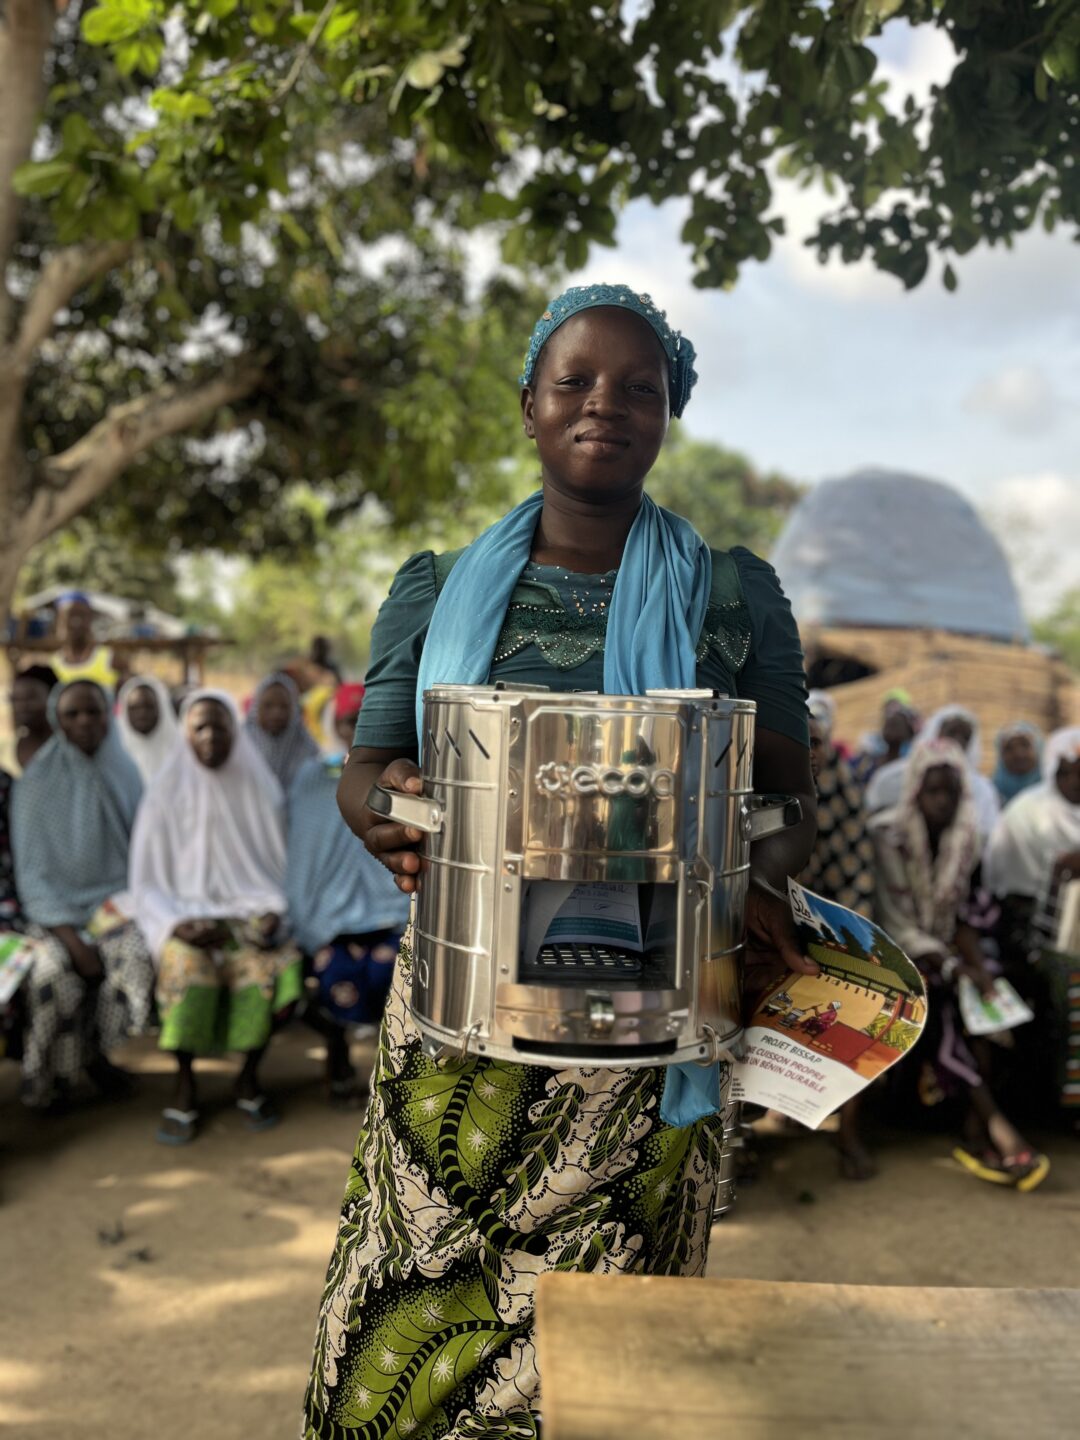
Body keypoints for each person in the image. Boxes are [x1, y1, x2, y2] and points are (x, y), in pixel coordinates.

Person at [303, 284, 817, 1438]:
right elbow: (367, 768)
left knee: (613, 1371)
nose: (606, 405)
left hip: (657, 1036)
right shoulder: (437, 591)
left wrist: (772, 886)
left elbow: (787, 794)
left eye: (640, 388)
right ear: (529, 405)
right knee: (405, 1347)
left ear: (670, 414)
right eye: (576, 381)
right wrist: (386, 810)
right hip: (459, 1036)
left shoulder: (734, 595)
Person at [869, 738, 1048, 1190]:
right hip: (895, 955)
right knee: (945, 1008)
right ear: (915, 791)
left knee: (988, 1006)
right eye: (934, 791)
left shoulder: (967, 840)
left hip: (946, 956)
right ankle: (994, 1127)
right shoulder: (887, 835)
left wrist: (975, 969)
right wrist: (953, 967)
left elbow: (969, 915)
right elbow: (896, 923)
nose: (943, 802)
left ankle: (975, 1129)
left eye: (952, 792)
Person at [129, 690, 304, 1144]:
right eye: (199, 727)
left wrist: (269, 915)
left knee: (277, 968)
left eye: (219, 726)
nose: (210, 737)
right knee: (185, 966)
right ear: (185, 733)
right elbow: (145, 881)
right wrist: (176, 924)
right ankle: (185, 1083)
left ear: (234, 730)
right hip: (186, 916)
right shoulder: (164, 792)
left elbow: (281, 870)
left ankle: (248, 1075)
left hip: (246, 915)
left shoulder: (258, 787)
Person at [10, 680, 154, 1110]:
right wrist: (72, 939)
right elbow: (32, 876)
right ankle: (43, 1078)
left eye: (92, 712)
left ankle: (95, 1058)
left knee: (133, 956)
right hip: (50, 915)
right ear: (58, 719)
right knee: (53, 977)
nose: (84, 722)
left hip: (111, 904)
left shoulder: (125, 770)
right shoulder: (35, 783)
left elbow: (142, 852)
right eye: (72, 715)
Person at [286, 682, 410, 1106]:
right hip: (331, 919)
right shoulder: (313, 777)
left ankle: (389, 1081)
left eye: (363, 720)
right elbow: (305, 854)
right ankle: (337, 1068)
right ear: (334, 725)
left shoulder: (402, 775)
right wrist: (312, 919)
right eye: (347, 721)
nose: (355, 730)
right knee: (335, 975)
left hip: (389, 913)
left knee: (389, 973)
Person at [985, 726, 1080, 1127]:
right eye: (1073, 771)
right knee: (1071, 982)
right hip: (1031, 938)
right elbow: (1007, 896)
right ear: (1054, 771)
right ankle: (1068, 1106)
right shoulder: (1028, 813)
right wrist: (1059, 875)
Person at [802, 690, 878, 1179]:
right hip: (761, 933)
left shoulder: (844, 794)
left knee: (863, 1003)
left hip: (826, 931)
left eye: (817, 742)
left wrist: (851, 950)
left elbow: (855, 884)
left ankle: (848, 1130)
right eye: (801, 741)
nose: (810, 752)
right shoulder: (756, 790)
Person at [867, 705, 1000, 846]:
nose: (957, 741)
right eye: (951, 732)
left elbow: (987, 835)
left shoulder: (982, 788)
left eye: (965, 737)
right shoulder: (892, 778)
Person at [244, 671, 320, 792]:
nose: (276, 713)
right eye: (268, 706)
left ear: (294, 709)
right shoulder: (241, 743)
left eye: (284, 706)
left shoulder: (307, 748)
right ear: (256, 707)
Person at [116, 674, 181, 785]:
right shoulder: (115, 755)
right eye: (134, 708)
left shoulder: (180, 754)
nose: (142, 713)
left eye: (148, 706)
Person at [51, 592, 121, 690]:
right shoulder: (53, 666)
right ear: (59, 621)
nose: (76, 622)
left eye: (81, 615)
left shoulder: (111, 659)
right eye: (69, 616)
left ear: (90, 619)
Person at [1, 664, 58, 776]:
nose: (22, 706)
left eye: (30, 698)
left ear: (53, 698)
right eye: (16, 700)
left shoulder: (69, 749)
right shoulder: (4, 751)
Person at [851, 693, 918, 787]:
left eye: (898, 721)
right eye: (889, 718)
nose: (892, 720)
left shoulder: (912, 759)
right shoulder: (867, 760)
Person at [992, 721, 1043, 807]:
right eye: (1009, 748)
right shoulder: (991, 794)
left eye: (1025, 745)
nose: (1018, 754)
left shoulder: (1054, 792)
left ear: (1038, 749)